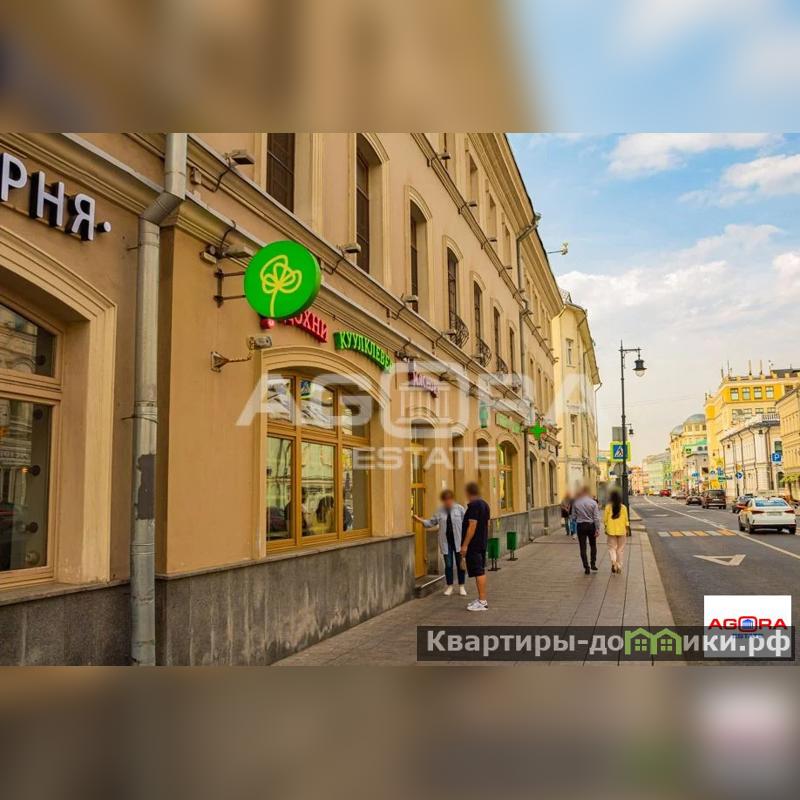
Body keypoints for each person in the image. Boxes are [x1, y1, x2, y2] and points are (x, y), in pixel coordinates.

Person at [413, 489, 466, 595]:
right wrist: (420, 520)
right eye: (445, 500)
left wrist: (466, 541)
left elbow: (466, 524)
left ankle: (462, 586)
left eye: (449, 500)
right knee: (448, 565)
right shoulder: (440, 511)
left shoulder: (460, 509)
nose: (447, 502)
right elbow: (431, 522)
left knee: (460, 564)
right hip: (446, 542)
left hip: (458, 541)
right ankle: (450, 586)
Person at [459, 481, 491, 611]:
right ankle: (480, 599)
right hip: (481, 542)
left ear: (468, 493)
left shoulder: (473, 506)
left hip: (474, 544)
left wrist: (465, 545)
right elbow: (488, 524)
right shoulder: (485, 504)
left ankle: (482, 601)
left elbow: (472, 526)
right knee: (480, 570)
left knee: (478, 571)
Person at [570, 485, 602, 575]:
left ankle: (586, 567)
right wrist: (597, 529)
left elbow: (573, 517)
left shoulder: (576, 503)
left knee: (582, 547)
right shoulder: (593, 503)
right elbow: (596, 518)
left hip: (581, 526)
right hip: (591, 526)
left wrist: (574, 529)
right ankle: (593, 564)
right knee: (593, 545)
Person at [603, 489, 630, 574]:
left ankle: (614, 562)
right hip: (622, 531)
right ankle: (619, 566)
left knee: (612, 548)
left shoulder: (608, 507)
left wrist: (606, 528)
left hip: (611, 531)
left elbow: (605, 520)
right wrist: (627, 529)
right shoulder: (623, 507)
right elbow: (626, 520)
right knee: (620, 549)